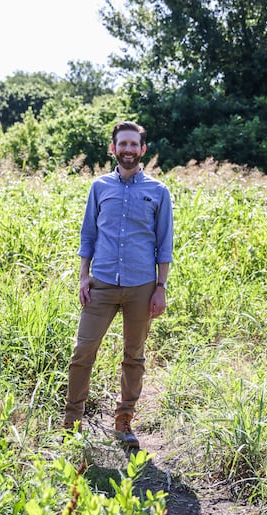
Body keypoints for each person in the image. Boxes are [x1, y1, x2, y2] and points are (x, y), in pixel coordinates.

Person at [63, 121, 174, 448]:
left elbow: (163, 243)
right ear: (113, 149)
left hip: (142, 286)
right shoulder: (100, 187)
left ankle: (124, 422)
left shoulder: (158, 191)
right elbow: (88, 235)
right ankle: (72, 423)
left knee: (134, 356)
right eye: (121, 144)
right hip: (102, 284)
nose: (127, 150)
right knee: (83, 352)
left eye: (133, 145)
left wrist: (161, 287)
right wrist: (84, 276)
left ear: (142, 150)